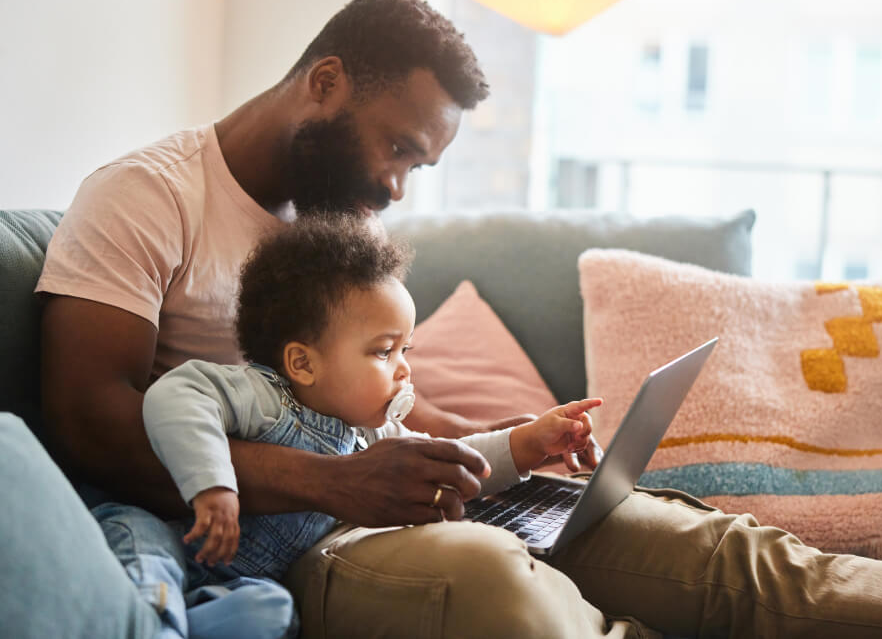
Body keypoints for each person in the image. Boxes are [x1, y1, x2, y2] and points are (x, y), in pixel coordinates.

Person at [35, 0, 882, 637]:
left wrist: (512, 440)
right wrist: (334, 483)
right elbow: (90, 422)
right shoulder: (148, 196)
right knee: (502, 581)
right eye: (399, 149)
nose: (394, 184)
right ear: (327, 82)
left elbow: (389, 410)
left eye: (416, 167)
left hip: (394, 504)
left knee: (722, 554)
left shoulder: (332, 221)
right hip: (287, 544)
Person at [95, 212, 602, 638]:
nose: (404, 369)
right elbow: (176, 394)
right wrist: (212, 484)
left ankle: (182, 620)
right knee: (147, 563)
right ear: (303, 364)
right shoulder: (264, 396)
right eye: (384, 351)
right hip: (165, 536)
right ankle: (147, 619)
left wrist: (528, 442)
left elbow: (453, 463)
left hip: (235, 578)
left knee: (272, 612)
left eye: (406, 350)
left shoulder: (375, 436)